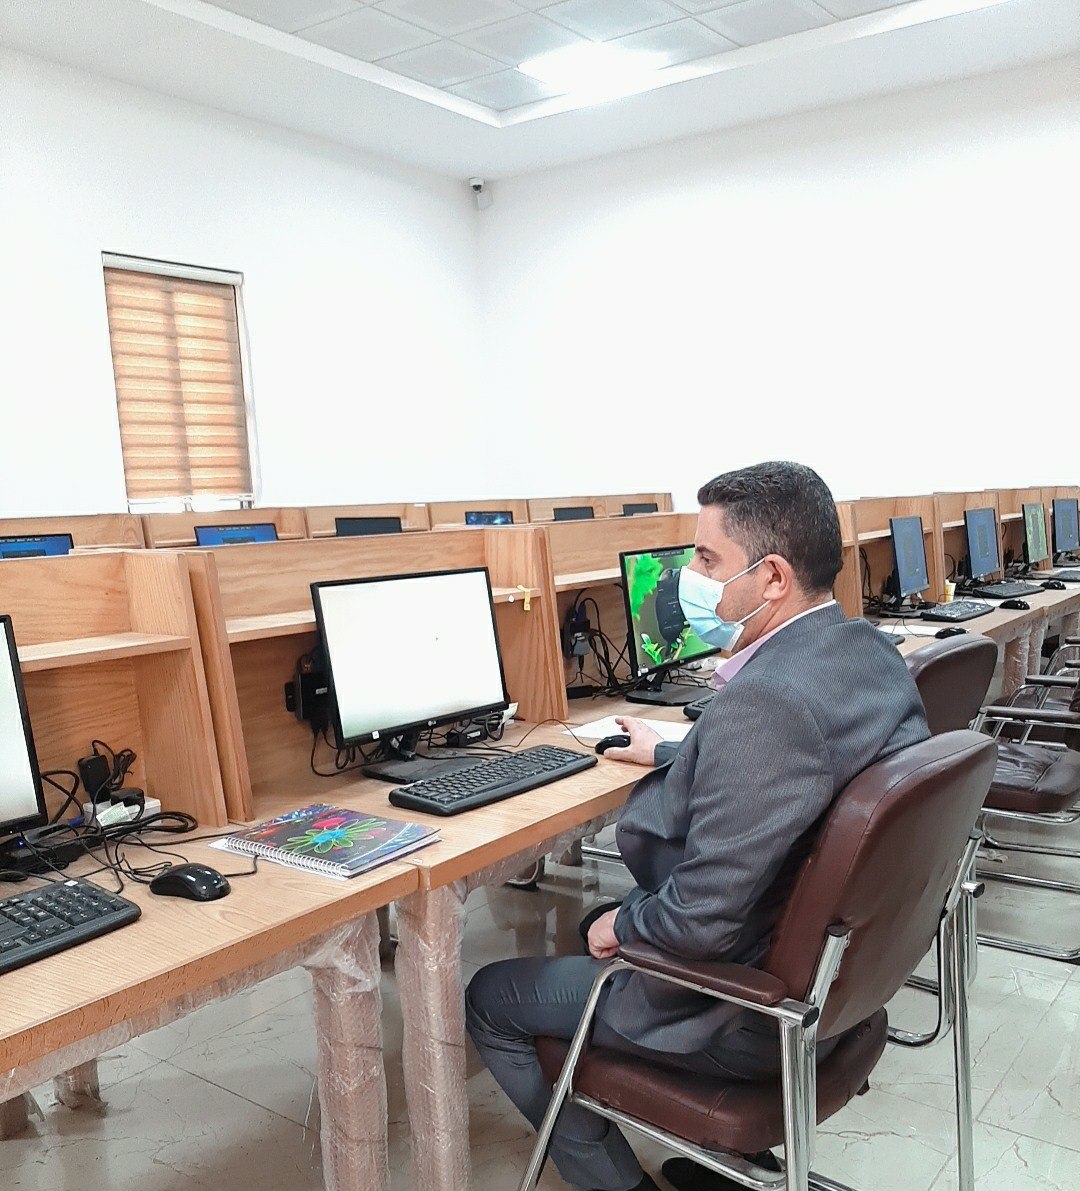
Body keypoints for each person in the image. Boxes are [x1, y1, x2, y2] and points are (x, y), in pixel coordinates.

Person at [465, 461, 930, 1191]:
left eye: (708, 559)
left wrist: (627, 922)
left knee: (493, 995)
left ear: (771, 577)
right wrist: (681, 751)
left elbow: (701, 921)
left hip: (743, 1008)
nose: (690, 576)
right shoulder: (862, 649)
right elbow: (812, 760)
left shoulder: (766, 707)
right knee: (592, 919)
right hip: (840, 985)